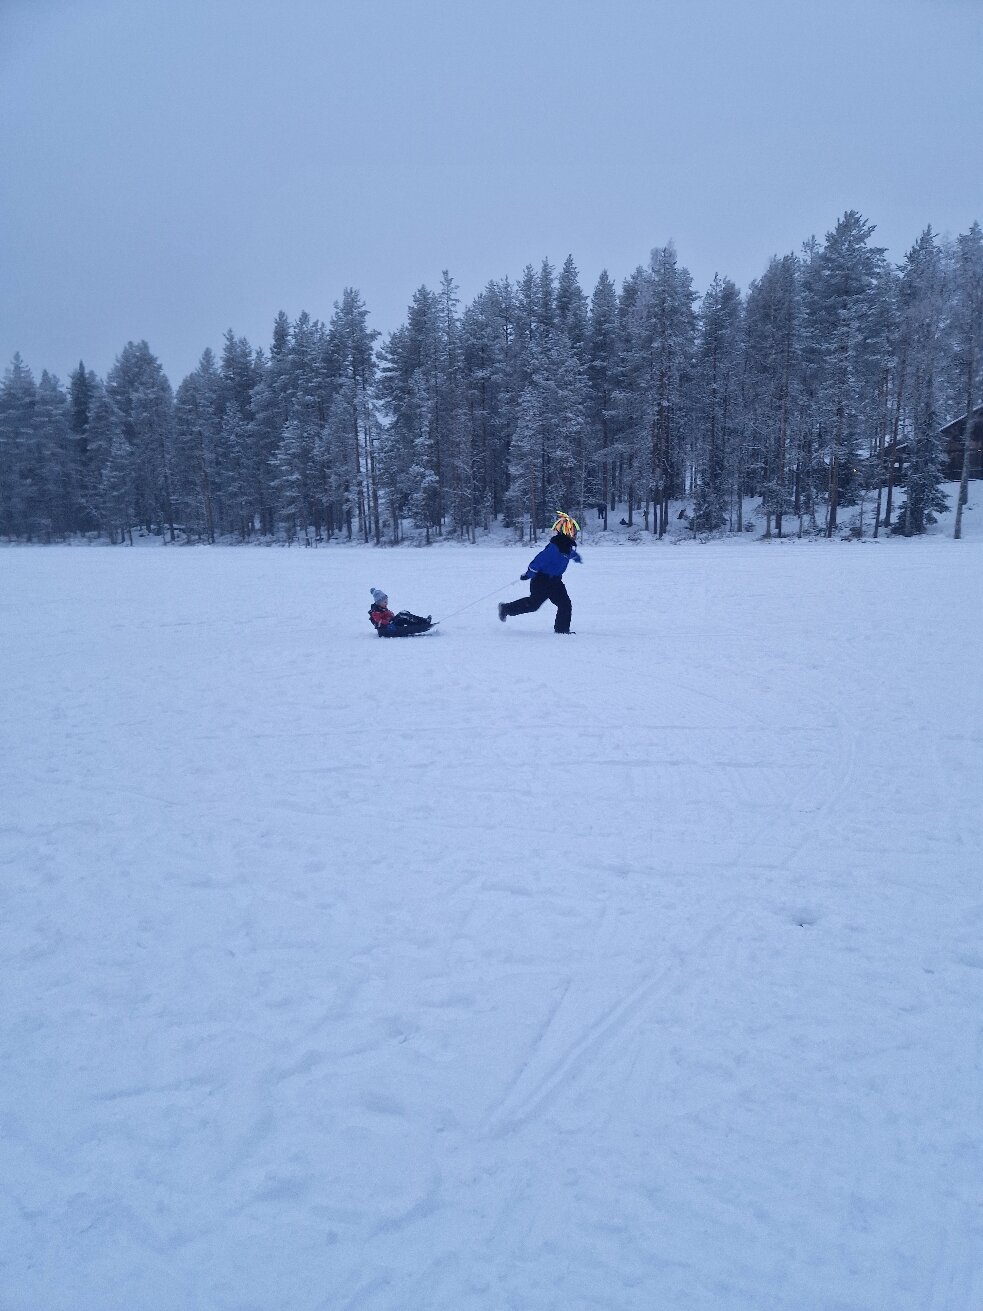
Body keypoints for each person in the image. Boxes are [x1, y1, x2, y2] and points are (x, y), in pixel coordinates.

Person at [497, 513, 582, 634]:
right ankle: (506, 608)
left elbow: (569, 554)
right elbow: (537, 562)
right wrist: (528, 574)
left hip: (555, 582)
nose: (575, 535)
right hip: (541, 581)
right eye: (573, 532)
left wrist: (576, 557)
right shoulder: (554, 547)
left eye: (575, 532)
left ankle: (562, 630)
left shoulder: (566, 547)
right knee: (533, 605)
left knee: (565, 604)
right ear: (566, 531)